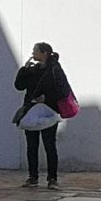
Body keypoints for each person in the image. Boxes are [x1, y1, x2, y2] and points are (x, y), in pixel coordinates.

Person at [13, 42, 74, 188]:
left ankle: (52, 179)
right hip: (31, 111)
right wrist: (24, 70)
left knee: (49, 145)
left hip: (49, 111)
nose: (33, 54)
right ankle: (32, 177)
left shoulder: (54, 70)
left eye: (35, 51)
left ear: (44, 53)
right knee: (31, 146)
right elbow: (19, 86)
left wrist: (46, 98)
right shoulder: (32, 70)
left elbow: (63, 90)